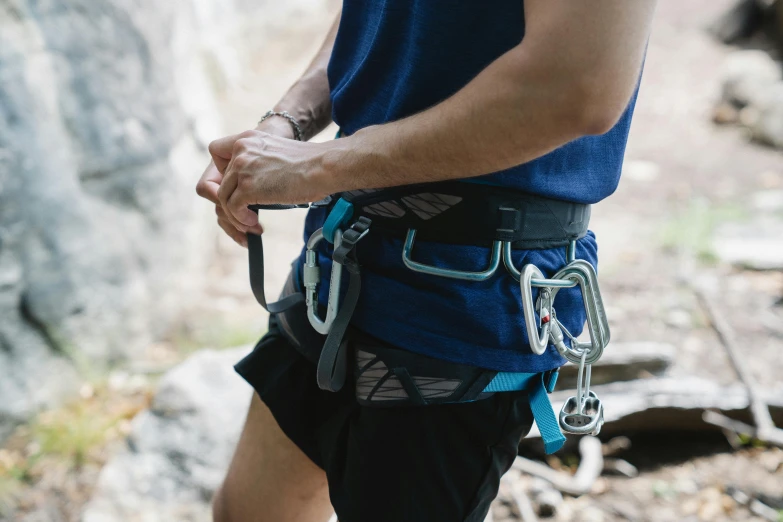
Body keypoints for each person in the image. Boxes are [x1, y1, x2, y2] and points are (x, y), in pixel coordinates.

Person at [196, 2, 656, 521]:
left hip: (468, 295)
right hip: (339, 254)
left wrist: (316, 166)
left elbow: (579, 85)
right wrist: (285, 126)